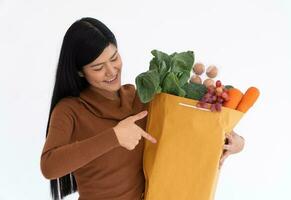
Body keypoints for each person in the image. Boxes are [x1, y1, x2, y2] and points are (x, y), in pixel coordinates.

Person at [40, 17, 245, 200]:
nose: (111, 71)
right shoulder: (70, 110)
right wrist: (114, 136)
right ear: (80, 72)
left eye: (114, 58)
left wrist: (235, 143)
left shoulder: (141, 98)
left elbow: (187, 129)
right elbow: (49, 167)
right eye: (98, 67)